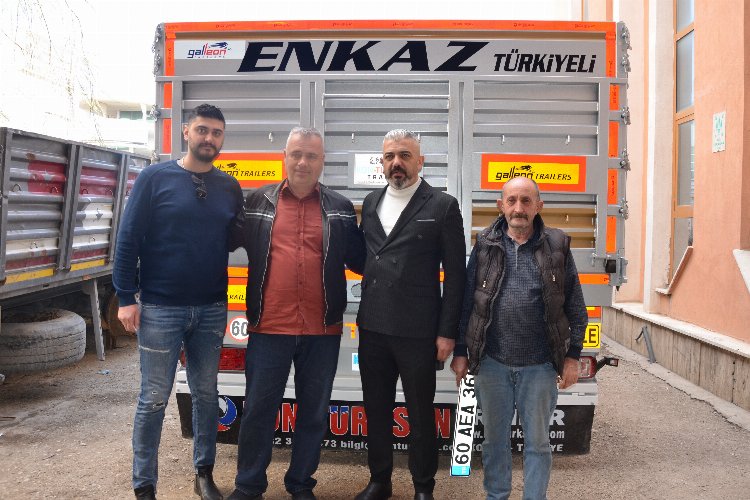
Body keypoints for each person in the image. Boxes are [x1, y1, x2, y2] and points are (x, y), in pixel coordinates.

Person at [226, 127, 365, 500]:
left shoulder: (340, 207)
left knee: (313, 414)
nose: (303, 162)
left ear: (322, 161)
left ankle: (301, 483)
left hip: (322, 330)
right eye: (297, 154)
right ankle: (249, 485)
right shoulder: (257, 202)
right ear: (284, 157)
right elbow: (218, 239)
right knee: (258, 410)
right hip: (268, 327)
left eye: (312, 156)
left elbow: (363, 259)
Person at [114, 104, 243, 500]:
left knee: (206, 395)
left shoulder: (229, 187)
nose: (209, 138)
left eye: (216, 133)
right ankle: (144, 485)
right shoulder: (154, 178)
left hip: (211, 308)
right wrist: (125, 297)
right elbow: (128, 239)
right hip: (160, 308)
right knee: (153, 398)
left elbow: (236, 238)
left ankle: (203, 474)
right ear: (186, 132)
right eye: (202, 130)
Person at [450, 176, 587, 500]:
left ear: (539, 206)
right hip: (492, 364)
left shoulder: (557, 246)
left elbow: (576, 307)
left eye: (526, 200)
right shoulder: (485, 244)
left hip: (540, 367)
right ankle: (497, 496)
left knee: (538, 443)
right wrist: (461, 351)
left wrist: (572, 357)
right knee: (494, 441)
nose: (518, 208)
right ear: (501, 205)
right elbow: (468, 302)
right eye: (511, 200)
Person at [355, 129, 466, 500]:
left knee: (420, 413)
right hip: (373, 327)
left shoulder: (442, 206)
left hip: (419, 332)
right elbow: (367, 256)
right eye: (389, 156)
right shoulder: (371, 202)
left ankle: (423, 487)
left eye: (404, 155)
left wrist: (448, 332)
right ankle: (379, 481)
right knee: (376, 410)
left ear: (420, 161)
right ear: (382, 162)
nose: (396, 163)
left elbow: (456, 276)